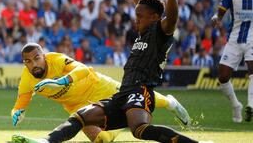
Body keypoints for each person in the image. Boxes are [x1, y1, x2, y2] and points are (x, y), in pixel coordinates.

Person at [12, 0, 208, 143]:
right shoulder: (144, 33)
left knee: (140, 129)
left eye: (139, 17)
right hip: (123, 93)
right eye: (136, 16)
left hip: (140, 91)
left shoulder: (161, 33)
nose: (136, 21)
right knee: (80, 116)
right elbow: (148, 15)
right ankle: (46, 141)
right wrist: (139, 2)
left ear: (156, 18)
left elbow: (170, 18)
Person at [11, 43, 191, 143]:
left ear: (43, 56)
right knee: (101, 140)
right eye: (28, 61)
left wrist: (60, 81)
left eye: (36, 58)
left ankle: (169, 103)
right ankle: (119, 125)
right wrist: (17, 113)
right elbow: (21, 103)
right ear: (24, 63)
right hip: (77, 105)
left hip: (98, 86)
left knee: (136, 97)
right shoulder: (27, 79)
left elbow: (82, 70)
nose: (34, 64)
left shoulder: (56, 59)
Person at [211, 0, 253, 123]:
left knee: (252, 70)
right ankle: (236, 106)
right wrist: (216, 18)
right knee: (222, 76)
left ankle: (251, 105)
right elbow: (220, 13)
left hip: (252, 39)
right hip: (234, 39)